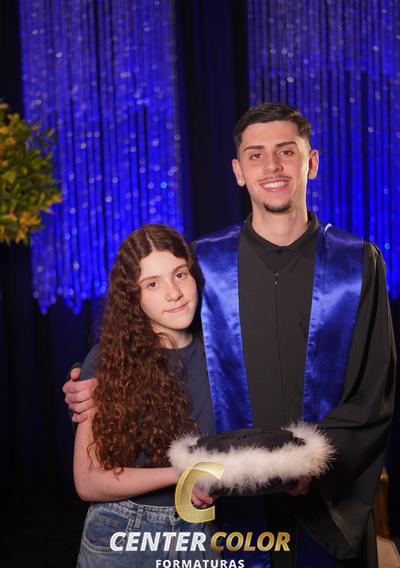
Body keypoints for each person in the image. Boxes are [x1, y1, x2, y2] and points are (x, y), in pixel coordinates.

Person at [65, 103, 396, 568]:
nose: (272, 166)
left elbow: (374, 390)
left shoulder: (357, 263)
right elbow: (155, 339)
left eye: (286, 151)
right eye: (256, 155)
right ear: (239, 171)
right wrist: (91, 377)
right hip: (230, 510)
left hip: (324, 500)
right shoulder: (207, 262)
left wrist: (305, 464)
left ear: (312, 162)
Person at [72, 224, 218, 567]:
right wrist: (182, 473)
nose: (174, 293)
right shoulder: (108, 362)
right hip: (125, 531)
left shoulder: (222, 353)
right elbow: (88, 481)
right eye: (152, 284)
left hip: (202, 532)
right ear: (133, 297)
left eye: (180, 274)